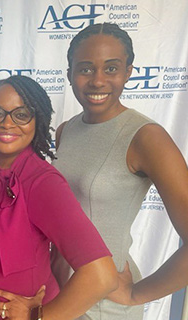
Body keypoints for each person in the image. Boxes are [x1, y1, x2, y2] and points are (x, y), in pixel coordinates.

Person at [0, 75, 118, 320]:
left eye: (21, 114)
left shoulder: (42, 182)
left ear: (37, 121)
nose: (7, 123)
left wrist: (39, 316)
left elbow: (102, 275)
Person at [52, 22, 188, 320]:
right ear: (69, 74)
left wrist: (137, 293)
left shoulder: (145, 137)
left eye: (111, 68)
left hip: (105, 306)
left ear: (128, 72)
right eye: (86, 69)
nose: (98, 81)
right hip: (60, 294)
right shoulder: (66, 131)